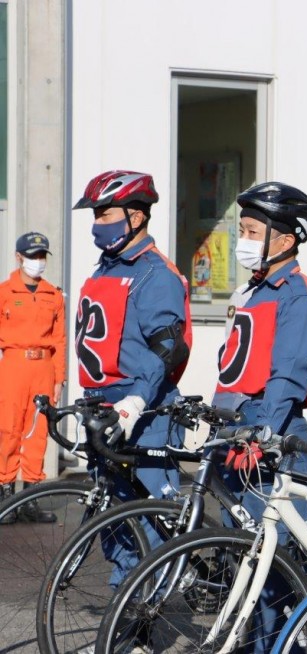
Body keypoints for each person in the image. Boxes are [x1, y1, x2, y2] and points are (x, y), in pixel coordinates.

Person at [213, 181, 307, 654]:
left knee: (276, 563)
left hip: (272, 432)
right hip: (235, 430)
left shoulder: (299, 296)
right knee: (242, 556)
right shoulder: (253, 289)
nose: (242, 237)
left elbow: (287, 375)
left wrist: (264, 432)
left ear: (285, 240)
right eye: (242, 228)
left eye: (252, 229)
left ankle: (285, 644)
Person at [73, 170, 193, 585]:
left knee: (148, 527)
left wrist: (136, 401)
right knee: (115, 525)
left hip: (143, 413)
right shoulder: (106, 268)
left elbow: (168, 348)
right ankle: (129, 629)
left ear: (136, 217)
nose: (96, 223)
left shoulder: (154, 273)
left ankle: (134, 635)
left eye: (104, 214)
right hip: (104, 407)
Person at [0, 232, 65, 524]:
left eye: (42, 256)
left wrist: (59, 379)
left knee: (38, 431)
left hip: (44, 367)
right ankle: (5, 496)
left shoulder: (53, 294)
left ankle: (30, 498)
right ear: (18, 257)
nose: (38, 262)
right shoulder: (4, 292)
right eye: (32, 256)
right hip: (13, 365)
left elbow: (60, 340)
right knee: (9, 429)